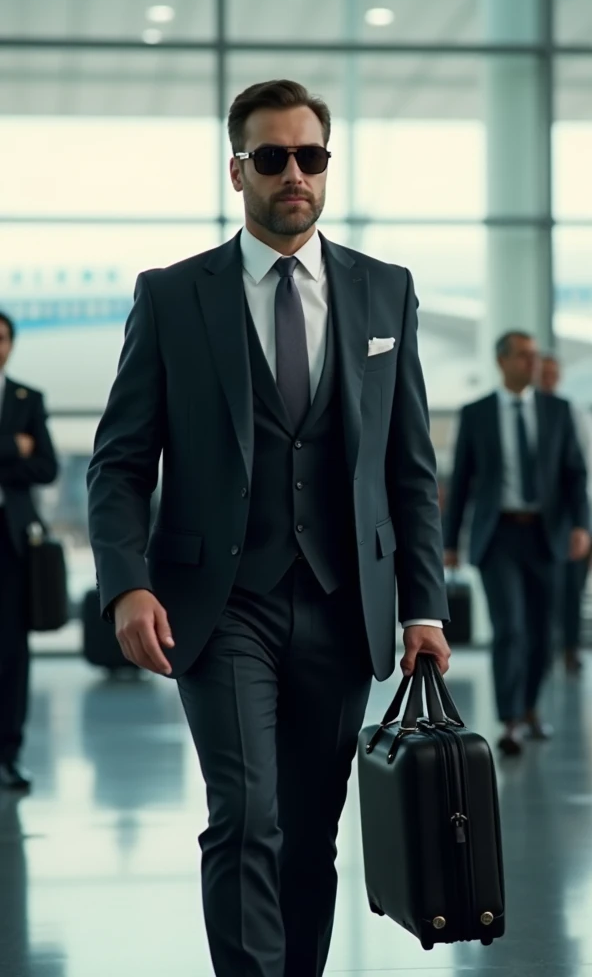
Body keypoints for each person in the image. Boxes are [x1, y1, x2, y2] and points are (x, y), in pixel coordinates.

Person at [87, 79, 450, 977]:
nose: (296, 174)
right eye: (275, 158)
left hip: (344, 603)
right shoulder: (173, 297)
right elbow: (121, 461)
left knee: (307, 838)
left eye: (312, 157)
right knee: (245, 815)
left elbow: (409, 470)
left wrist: (424, 608)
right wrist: (127, 582)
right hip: (220, 604)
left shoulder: (384, 292)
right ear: (237, 169)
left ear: (327, 167)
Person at [444, 332, 589, 757]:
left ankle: (528, 707)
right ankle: (509, 719)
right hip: (499, 536)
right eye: (524, 356)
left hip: (547, 535)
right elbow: (462, 480)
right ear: (501, 361)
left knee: (544, 630)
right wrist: (450, 542)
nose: (533, 363)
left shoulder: (557, 411)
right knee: (511, 627)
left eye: (535, 356)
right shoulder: (477, 414)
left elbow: (575, 475)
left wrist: (581, 525)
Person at [0, 311, 58, 791]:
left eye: (1, 338)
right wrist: (8, 449)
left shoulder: (26, 399)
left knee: (12, 654)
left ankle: (8, 755)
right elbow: (22, 458)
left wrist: (23, 456)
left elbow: (46, 467)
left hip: (11, 543)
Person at [538, 353, 592, 673]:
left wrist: (582, 523)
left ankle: (569, 648)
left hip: (569, 518)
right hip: (534, 520)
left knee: (571, 589)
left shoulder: (569, 411)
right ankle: (546, 649)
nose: (548, 379)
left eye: (553, 373)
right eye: (543, 373)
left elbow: (581, 470)